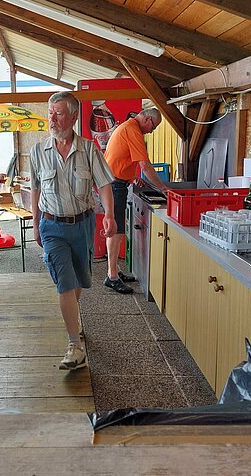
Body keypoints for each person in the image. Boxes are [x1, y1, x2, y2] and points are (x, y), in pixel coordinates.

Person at [29, 91, 117, 371]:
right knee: (65, 283)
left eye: (58, 113)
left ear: (74, 116)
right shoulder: (37, 152)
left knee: (80, 280)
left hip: (83, 224)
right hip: (52, 225)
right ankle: (74, 345)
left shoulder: (89, 150)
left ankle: (72, 316)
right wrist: (35, 222)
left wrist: (109, 215)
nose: (52, 119)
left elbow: (104, 184)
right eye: (50, 113)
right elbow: (35, 189)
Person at [103, 107, 170, 294]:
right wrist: (163, 189)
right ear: (147, 119)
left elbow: (120, 158)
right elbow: (145, 165)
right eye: (153, 127)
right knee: (115, 230)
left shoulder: (128, 126)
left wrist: (131, 177)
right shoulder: (133, 130)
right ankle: (112, 277)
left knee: (117, 230)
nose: (151, 131)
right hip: (114, 184)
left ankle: (114, 270)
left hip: (116, 181)